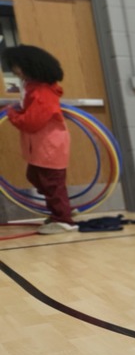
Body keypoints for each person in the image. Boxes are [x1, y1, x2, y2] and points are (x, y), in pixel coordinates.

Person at [0, 45, 76, 234]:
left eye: (16, 65)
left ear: (29, 65)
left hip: (49, 145)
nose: (14, 69)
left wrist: (12, 114)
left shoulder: (42, 92)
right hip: (40, 145)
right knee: (35, 176)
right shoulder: (32, 87)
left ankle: (64, 219)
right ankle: (61, 206)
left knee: (51, 182)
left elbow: (32, 121)